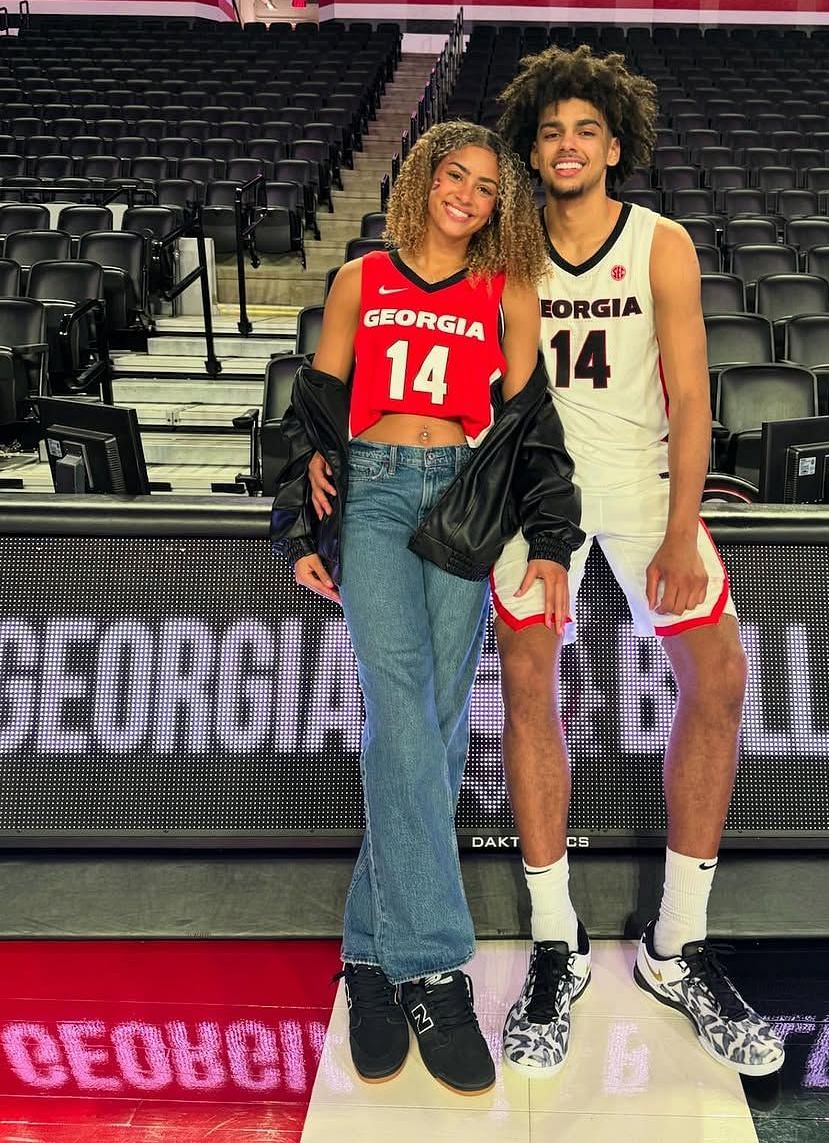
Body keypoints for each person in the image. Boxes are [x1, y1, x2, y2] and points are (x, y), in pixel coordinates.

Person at [490, 46, 786, 1079]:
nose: (566, 146)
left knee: (723, 675)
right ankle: (554, 943)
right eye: (549, 131)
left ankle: (678, 944)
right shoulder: (509, 247)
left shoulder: (660, 244)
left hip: (650, 491)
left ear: (614, 144)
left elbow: (697, 396)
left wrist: (678, 525)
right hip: (539, 501)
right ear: (532, 149)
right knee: (530, 689)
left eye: (585, 130)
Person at [272, 120, 583, 1097]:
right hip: (372, 492)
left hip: (463, 496)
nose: (470, 196)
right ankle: (433, 969)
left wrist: (556, 542)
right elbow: (315, 411)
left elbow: (533, 426)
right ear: (425, 178)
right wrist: (298, 522)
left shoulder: (509, 291)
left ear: (500, 203)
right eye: (457, 176)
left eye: (489, 187)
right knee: (402, 709)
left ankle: (368, 956)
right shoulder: (363, 278)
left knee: (436, 726)